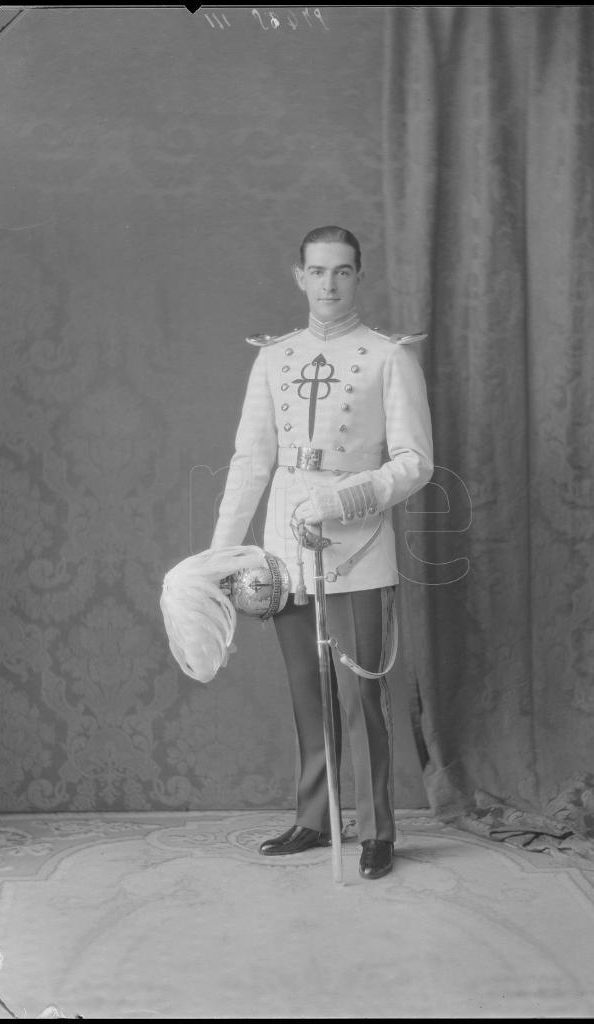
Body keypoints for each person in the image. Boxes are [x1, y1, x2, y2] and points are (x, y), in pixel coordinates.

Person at [210, 226, 433, 879]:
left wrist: (343, 500)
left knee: (359, 694)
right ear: (298, 276)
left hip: (357, 542)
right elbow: (250, 461)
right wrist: (224, 552)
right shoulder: (273, 358)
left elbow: (416, 462)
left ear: (358, 275)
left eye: (342, 271)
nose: (329, 284)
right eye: (317, 271)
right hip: (284, 545)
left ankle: (376, 831)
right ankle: (316, 817)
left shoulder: (390, 357)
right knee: (307, 691)